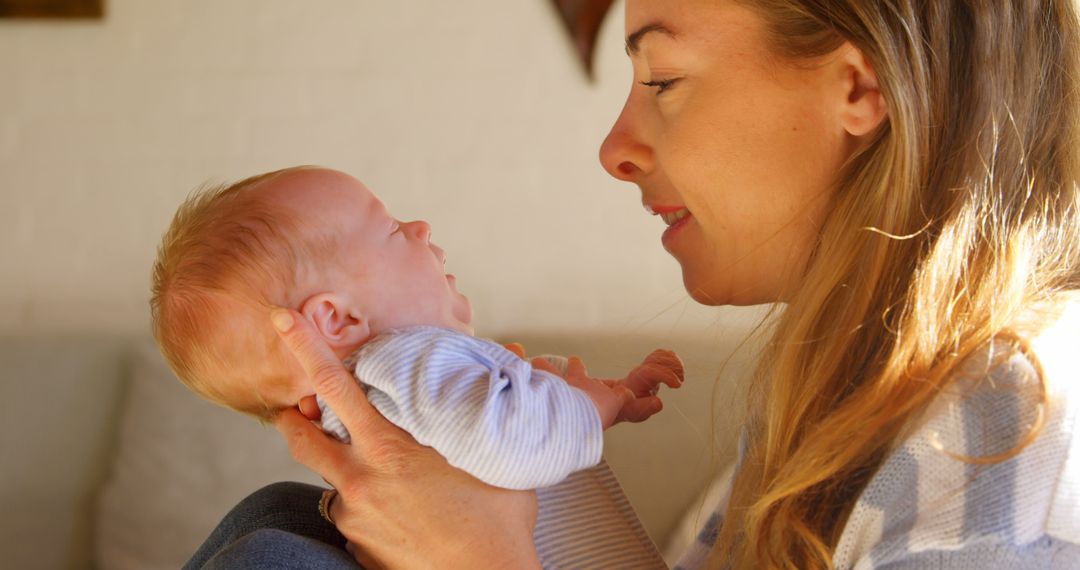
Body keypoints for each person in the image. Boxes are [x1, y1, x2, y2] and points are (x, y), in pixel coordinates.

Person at [189, 0, 1080, 568]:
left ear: (859, 86)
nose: (614, 147)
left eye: (663, 78)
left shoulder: (1000, 427)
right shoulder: (833, 394)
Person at [151, 166, 684, 491]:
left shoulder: (398, 387)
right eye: (388, 228)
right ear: (337, 319)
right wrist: (597, 405)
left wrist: (577, 391)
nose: (419, 227)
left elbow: (500, 429)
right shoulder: (401, 362)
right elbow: (519, 443)